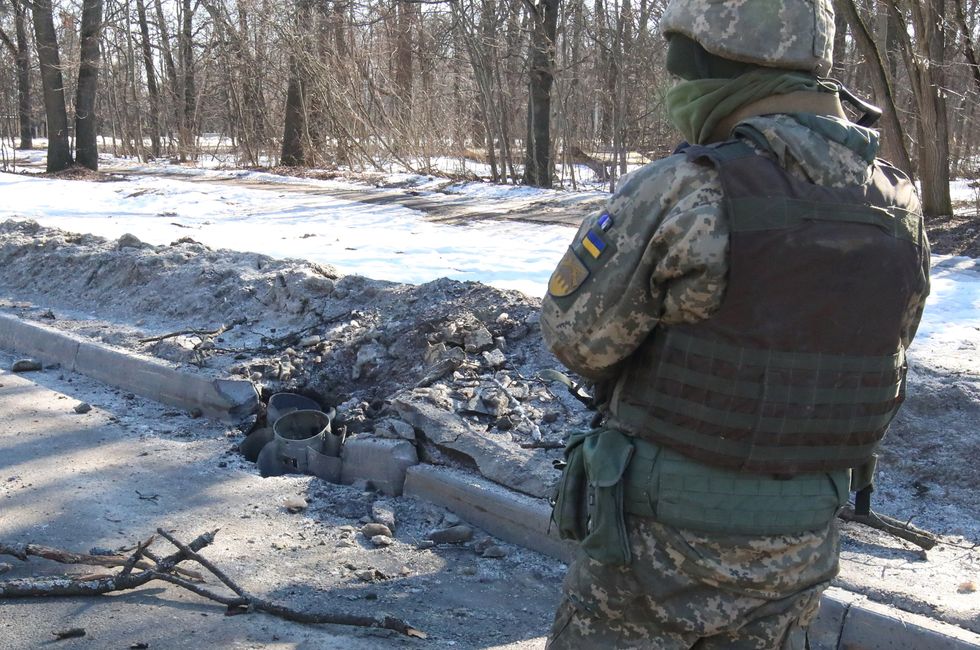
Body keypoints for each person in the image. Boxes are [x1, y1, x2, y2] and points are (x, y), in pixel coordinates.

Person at [541, 0, 931, 648]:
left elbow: (576, 337)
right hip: (804, 542)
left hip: (658, 540)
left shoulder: (686, 189)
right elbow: (887, 345)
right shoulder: (899, 208)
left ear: (717, 74)